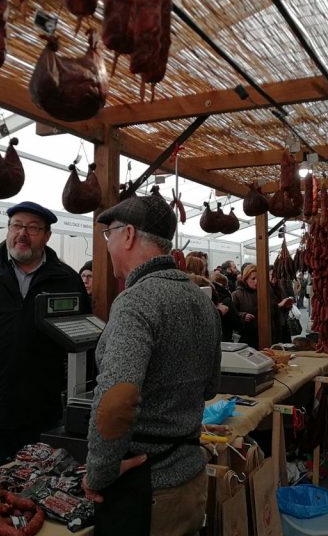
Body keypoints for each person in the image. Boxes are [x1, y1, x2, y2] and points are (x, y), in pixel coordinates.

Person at [82, 193, 221, 536]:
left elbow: (115, 401)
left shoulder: (136, 301)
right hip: (190, 478)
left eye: (108, 235)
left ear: (128, 235)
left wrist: (99, 473)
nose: (107, 245)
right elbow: (210, 388)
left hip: (147, 490)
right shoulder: (200, 299)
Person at [0, 201, 88, 475]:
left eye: (33, 228)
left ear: (46, 236)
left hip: (42, 414)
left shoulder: (65, 280)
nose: (22, 233)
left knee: (37, 488)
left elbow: (82, 343)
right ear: (8, 229)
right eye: (17, 225)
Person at [232, 264, 259, 348]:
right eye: (253, 278)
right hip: (247, 337)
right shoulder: (237, 294)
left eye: (258, 278)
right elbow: (232, 315)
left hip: (265, 335)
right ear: (246, 278)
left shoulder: (265, 292)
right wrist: (243, 316)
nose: (257, 281)